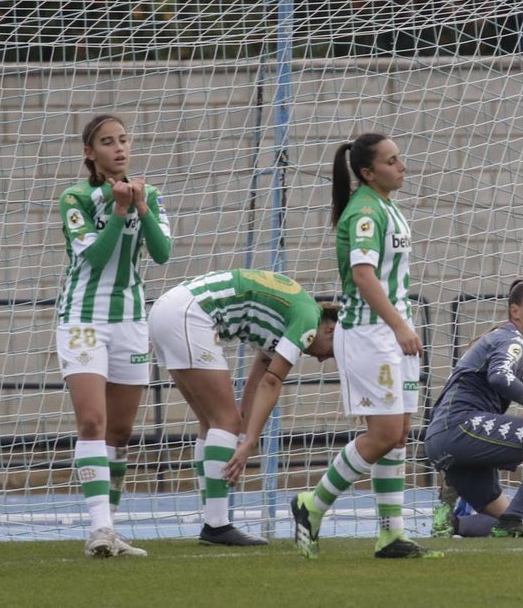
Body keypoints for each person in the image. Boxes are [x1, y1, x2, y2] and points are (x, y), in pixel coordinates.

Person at [290, 132, 442, 559]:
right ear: (367, 172)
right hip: (371, 335)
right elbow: (362, 276)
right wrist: (398, 326)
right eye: (392, 161)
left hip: (393, 334)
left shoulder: (388, 207)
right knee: (384, 433)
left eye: (400, 157)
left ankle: (392, 535)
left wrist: (402, 326)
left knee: (399, 435)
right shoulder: (362, 214)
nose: (402, 166)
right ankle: (311, 504)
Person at [148, 269, 339, 546]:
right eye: (330, 352)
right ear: (330, 329)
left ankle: (213, 520)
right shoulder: (308, 320)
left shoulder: (295, 312)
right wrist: (248, 441)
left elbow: (259, 378)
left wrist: (242, 433)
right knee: (224, 421)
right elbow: (273, 383)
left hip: (169, 309)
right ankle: (216, 525)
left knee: (213, 422)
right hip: (190, 315)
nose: (322, 360)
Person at [55, 113, 172, 558]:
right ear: (90, 152)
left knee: (120, 434)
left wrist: (140, 208)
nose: (119, 148)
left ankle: (112, 531)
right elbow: (95, 259)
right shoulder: (76, 197)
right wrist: (119, 210)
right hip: (83, 319)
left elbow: (161, 254)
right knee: (91, 422)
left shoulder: (151, 194)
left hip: (130, 320)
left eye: (124, 140)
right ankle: (99, 529)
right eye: (107, 141)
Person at [424, 279, 523, 538]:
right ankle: (512, 519)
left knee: (498, 519)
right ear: (515, 311)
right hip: (460, 428)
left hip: (441, 441)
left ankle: (451, 521)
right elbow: (499, 377)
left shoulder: (498, 338)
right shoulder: (512, 339)